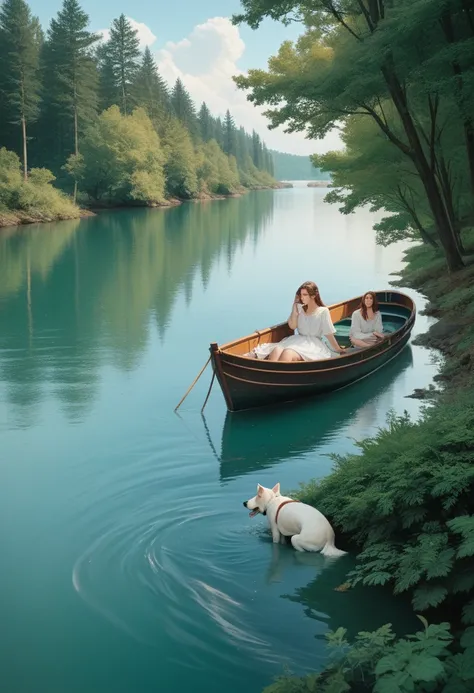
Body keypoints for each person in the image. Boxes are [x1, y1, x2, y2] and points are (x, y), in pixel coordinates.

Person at [251, 281, 345, 362]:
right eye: (300, 295)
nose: (302, 297)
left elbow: (329, 334)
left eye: (305, 295)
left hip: (313, 344)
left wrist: (338, 349)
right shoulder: (299, 308)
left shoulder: (323, 311)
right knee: (277, 349)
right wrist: (294, 310)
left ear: (313, 296)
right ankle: (269, 376)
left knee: (287, 352)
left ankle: (278, 378)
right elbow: (292, 326)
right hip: (297, 340)